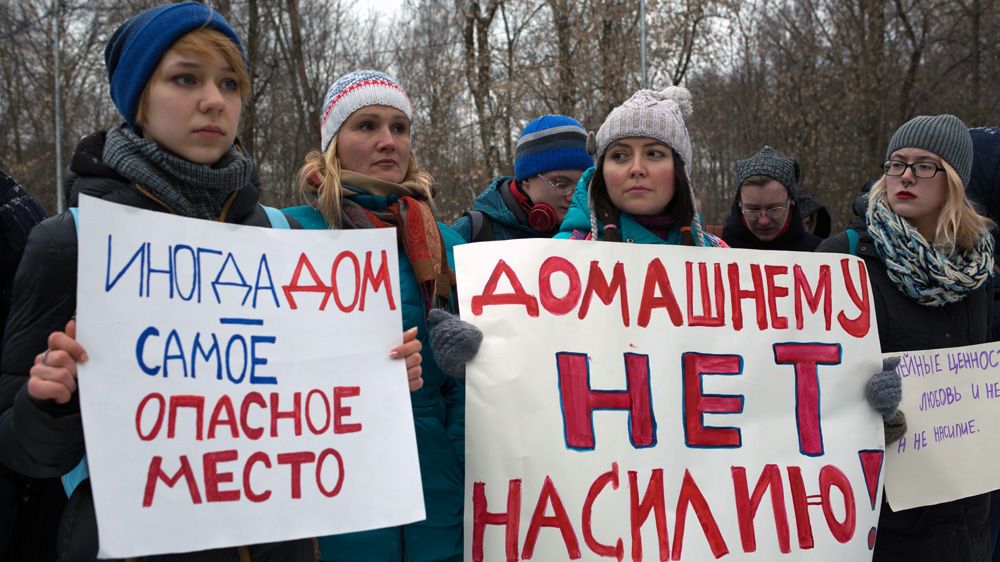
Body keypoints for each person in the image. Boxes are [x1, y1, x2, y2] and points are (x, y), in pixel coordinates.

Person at [0, 5, 423, 561]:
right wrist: (49, 403)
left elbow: (304, 389)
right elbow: (20, 452)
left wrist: (380, 375)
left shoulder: (280, 235)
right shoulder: (70, 242)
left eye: (229, 83)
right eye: (185, 78)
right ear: (137, 98)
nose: (214, 100)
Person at [285, 69, 476, 562]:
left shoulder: (447, 245)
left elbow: (468, 384)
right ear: (333, 142)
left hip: (438, 488)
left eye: (400, 127)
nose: (388, 141)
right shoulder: (289, 235)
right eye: (367, 126)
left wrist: (457, 454)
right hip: (335, 485)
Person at [817, 114, 994, 561]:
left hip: (965, 510)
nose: (906, 176)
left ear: (954, 179)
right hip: (881, 510)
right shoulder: (843, 257)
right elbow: (806, 380)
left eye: (924, 165)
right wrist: (863, 406)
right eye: (896, 163)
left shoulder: (978, 269)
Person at [555, 86, 724, 247]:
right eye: (619, 155)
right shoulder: (558, 256)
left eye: (654, 154)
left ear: (681, 169)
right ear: (602, 171)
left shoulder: (722, 258)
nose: (637, 169)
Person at [451, 114, 592, 241]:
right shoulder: (470, 232)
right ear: (526, 178)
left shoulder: (595, 233)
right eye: (562, 184)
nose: (574, 197)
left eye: (582, 185)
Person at [722, 146, 822, 251]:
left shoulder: (818, 252)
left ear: (791, 200)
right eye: (753, 209)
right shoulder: (714, 245)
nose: (764, 221)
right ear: (739, 201)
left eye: (774, 209)